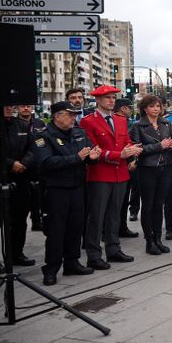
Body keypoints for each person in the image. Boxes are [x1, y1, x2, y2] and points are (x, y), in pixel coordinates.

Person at [32, 102, 98, 285]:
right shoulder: (43, 137)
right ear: (57, 116)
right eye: (69, 114)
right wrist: (77, 158)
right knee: (56, 230)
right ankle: (51, 268)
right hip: (56, 190)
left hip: (77, 187)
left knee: (76, 227)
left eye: (74, 114)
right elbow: (46, 163)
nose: (73, 117)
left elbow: (89, 154)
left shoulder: (79, 133)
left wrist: (93, 157)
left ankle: (72, 262)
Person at [80, 85, 142, 269]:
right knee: (97, 216)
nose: (111, 101)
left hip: (120, 174)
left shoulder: (120, 119)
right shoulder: (88, 121)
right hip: (100, 174)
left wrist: (132, 151)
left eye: (113, 98)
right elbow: (93, 149)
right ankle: (93, 254)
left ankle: (113, 249)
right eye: (107, 98)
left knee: (115, 214)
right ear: (97, 100)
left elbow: (126, 141)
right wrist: (119, 155)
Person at [0, 105, 36, 272]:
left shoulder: (22, 125)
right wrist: (11, 163)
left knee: (20, 219)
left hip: (21, 178)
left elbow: (32, 149)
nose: (9, 108)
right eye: (5, 105)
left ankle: (16, 254)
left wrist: (24, 163)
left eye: (12, 105)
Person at [129, 95, 172, 255]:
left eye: (158, 106)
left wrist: (171, 144)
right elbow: (138, 149)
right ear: (145, 109)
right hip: (147, 169)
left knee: (159, 205)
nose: (156, 109)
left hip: (166, 167)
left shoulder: (166, 123)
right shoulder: (137, 126)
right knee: (148, 206)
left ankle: (158, 238)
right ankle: (149, 241)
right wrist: (159, 146)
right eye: (152, 106)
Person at [114, 98, 140, 239]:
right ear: (124, 108)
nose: (131, 110)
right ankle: (111, 230)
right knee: (116, 202)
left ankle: (122, 227)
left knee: (123, 200)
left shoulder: (127, 122)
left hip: (128, 166)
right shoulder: (120, 122)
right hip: (116, 165)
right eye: (130, 108)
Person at [17, 105, 45, 232]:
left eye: (28, 106)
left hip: (37, 165)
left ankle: (36, 221)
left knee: (38, 196)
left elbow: (41, 142)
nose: (26, 109)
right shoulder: (15, 123)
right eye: (23, 106)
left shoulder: (39, 123)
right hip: (20, 166)